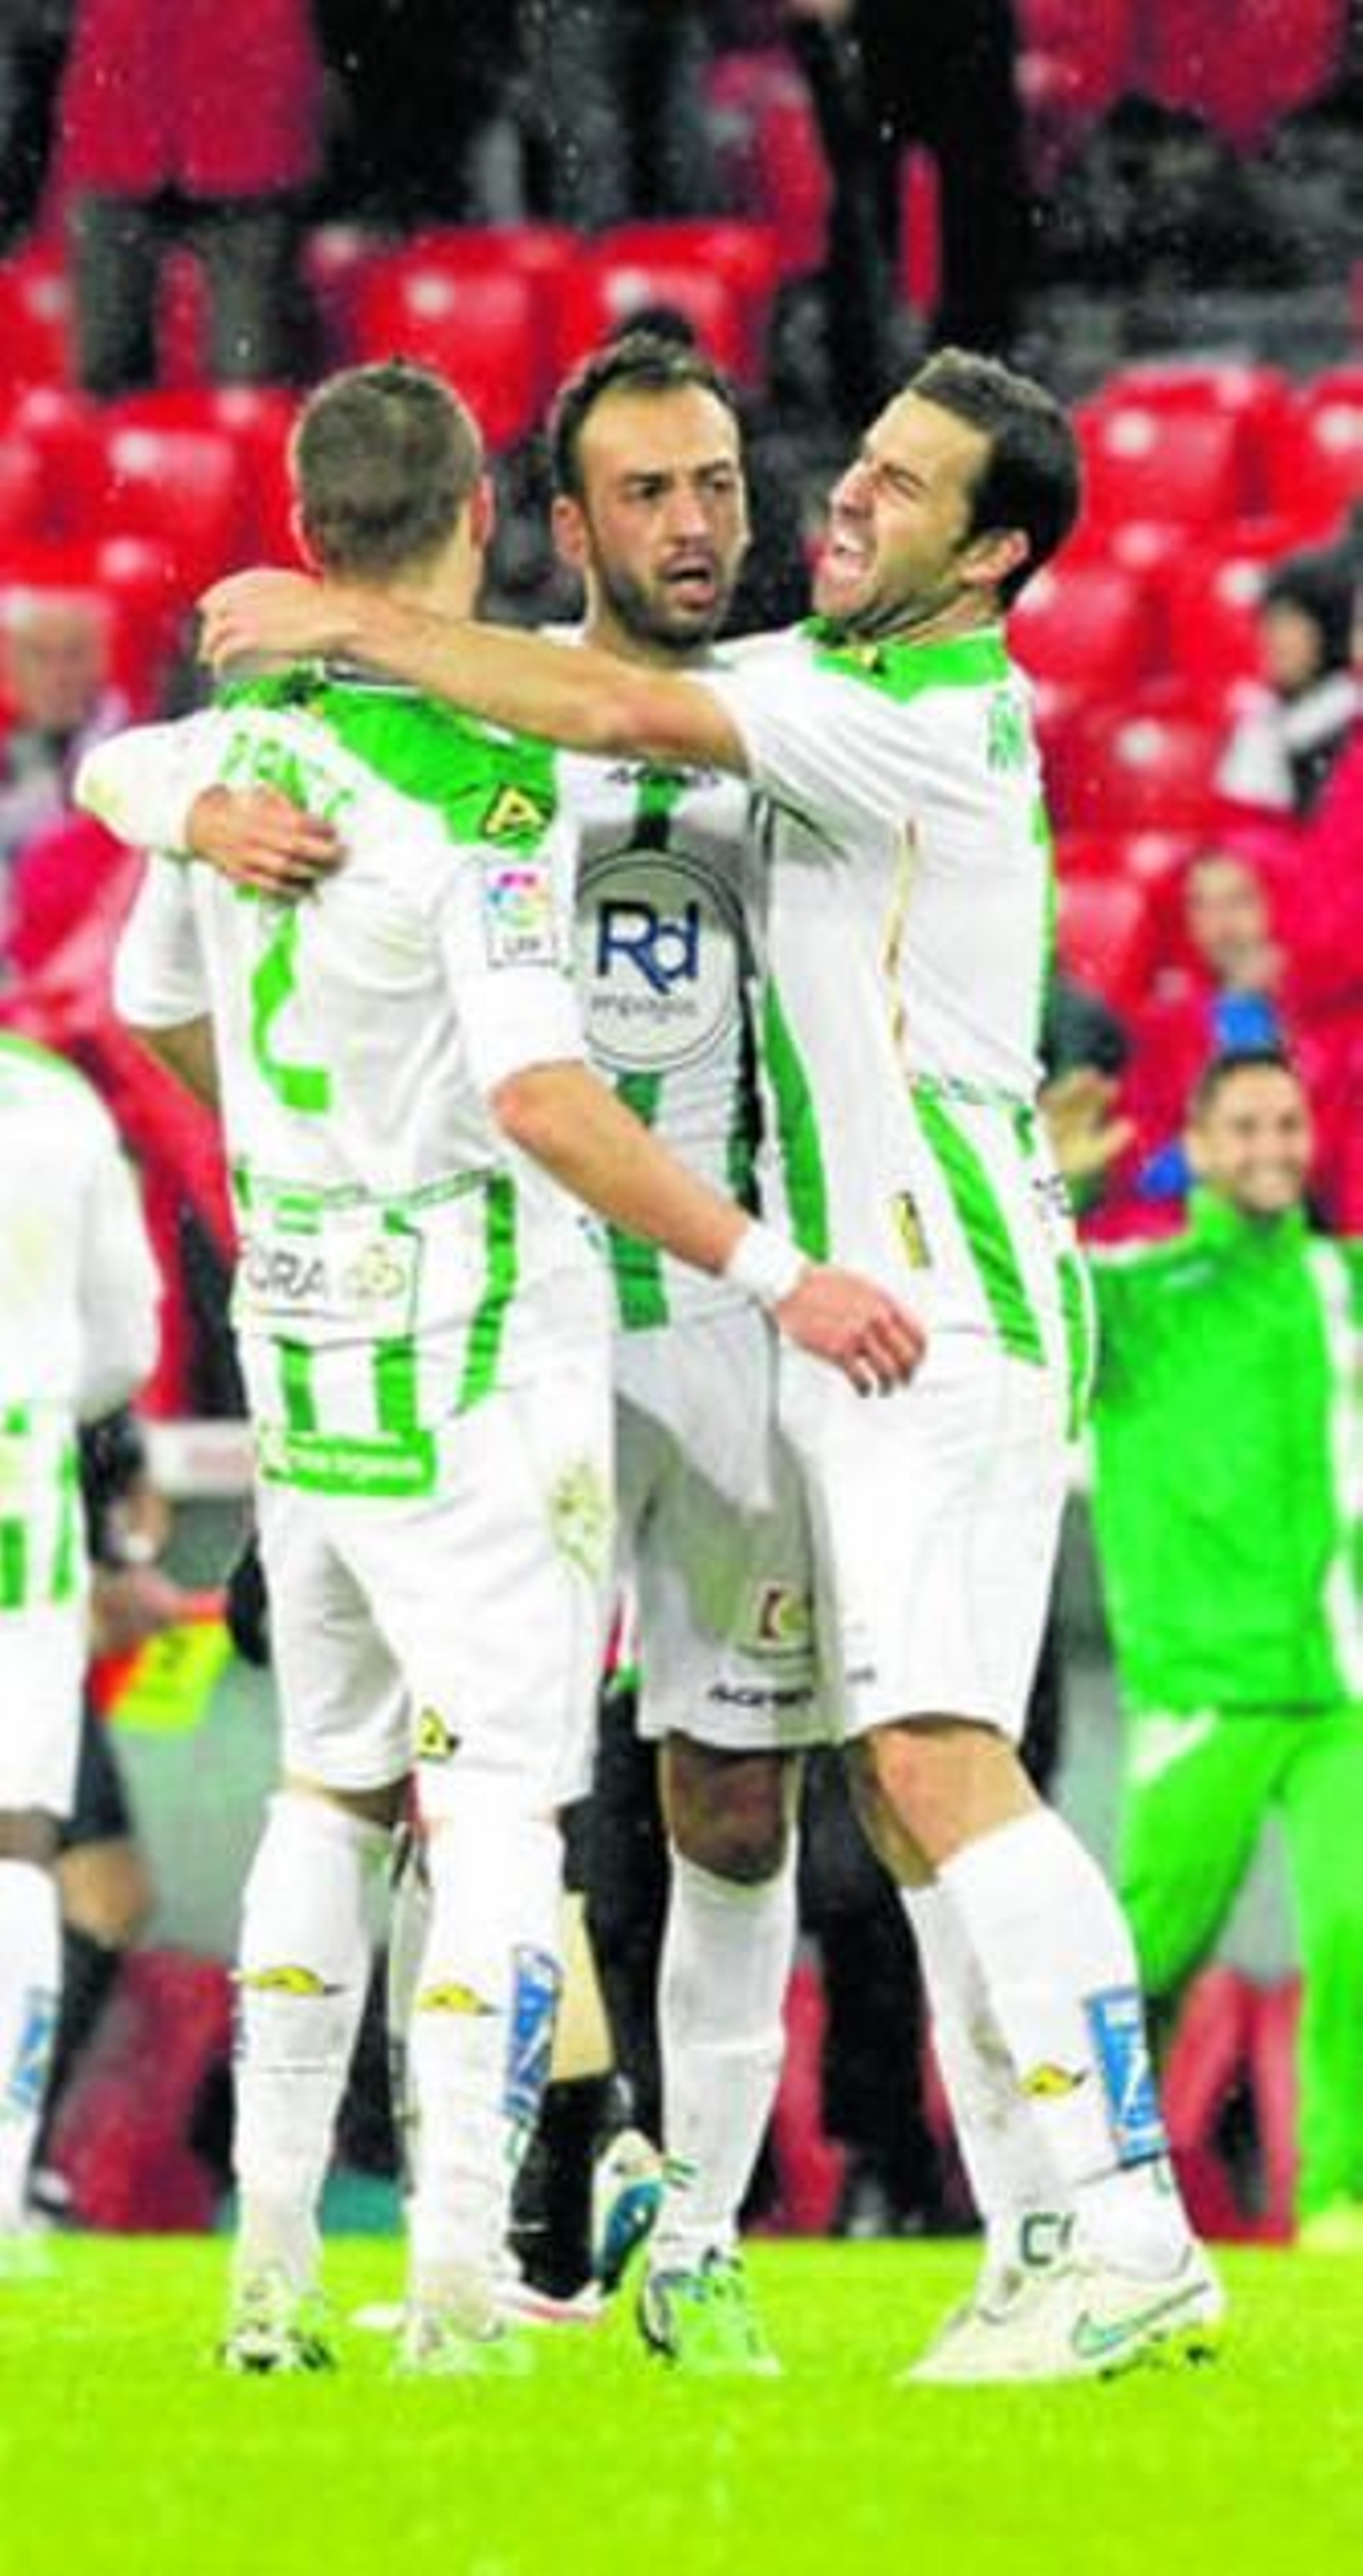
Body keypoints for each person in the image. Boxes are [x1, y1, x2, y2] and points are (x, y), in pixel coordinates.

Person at [197, 343, 1223, 2381]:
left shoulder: (856, 713)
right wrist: (211, 784)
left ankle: (1103, 2226)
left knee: (896, 1769)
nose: (805, 506)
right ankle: (1037, 2230)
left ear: (991, 554)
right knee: (875, 1789)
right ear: (557, 523)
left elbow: (596, 702)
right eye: (834, 468)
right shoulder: (802, 695)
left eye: (882, 488)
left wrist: (341, 617)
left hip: (866, 1299)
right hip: (624, 1311)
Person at [81, 359, 919, 2375]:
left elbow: (146, 1002)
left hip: (302, 1335)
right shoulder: (487, 790)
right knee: (499, 1828)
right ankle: (458, 2284)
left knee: (324, 1795)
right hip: (476, 1348)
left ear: (303, 532)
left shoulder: (236, 757)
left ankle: (270, 2278)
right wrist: (765, 1260)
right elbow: (546, 1100)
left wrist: (310, 1161)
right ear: (481, 518)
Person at [1084, 1049, 1363, 2247]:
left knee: (1353, 1935)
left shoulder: (1342, 1280)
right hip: (1199, 1683)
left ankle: (1339, 2198)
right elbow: (1025, 1296)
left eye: (1286, 1125)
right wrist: (1069, 1189)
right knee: (1144, 1956)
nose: (1269, 1148)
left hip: (1340, 1681)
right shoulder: (1141, 1291)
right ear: (1194, 1145)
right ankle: (1088, 2191)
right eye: (1242, 1126)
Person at [0, 1030, 160, 2264]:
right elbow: (125, 1350)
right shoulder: (52, 1104)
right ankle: (2, 2191)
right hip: (18, 1487)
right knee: (15, 1843)